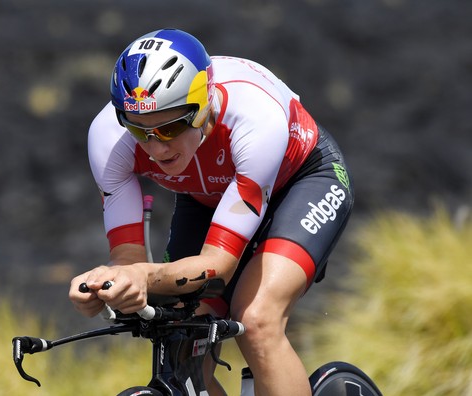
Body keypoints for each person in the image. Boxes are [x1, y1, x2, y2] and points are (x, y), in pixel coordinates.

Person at [69, 28, 354, 396]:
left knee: (256, 319)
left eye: (170, 127)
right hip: (209, 196)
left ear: (203, 105)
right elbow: (128, 262)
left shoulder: (254, 118)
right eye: (141, 131)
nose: (156, 149)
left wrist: (142, 277)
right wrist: (106, 286)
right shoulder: (109, 137)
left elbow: (216, 266)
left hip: (302, 181)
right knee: (180, 340)